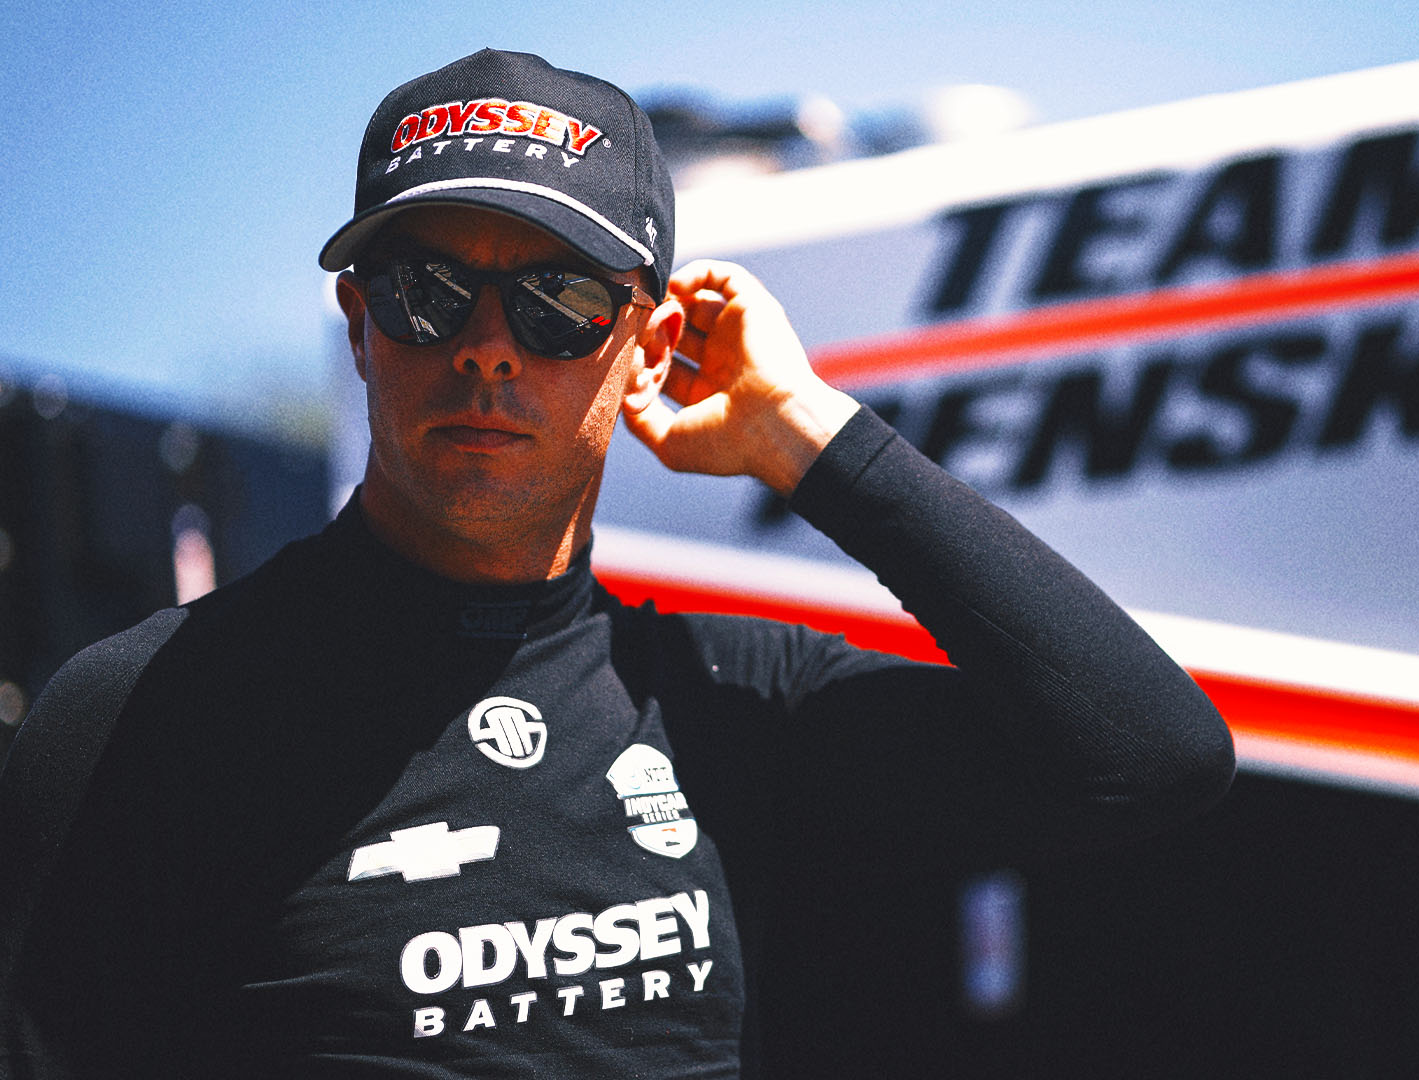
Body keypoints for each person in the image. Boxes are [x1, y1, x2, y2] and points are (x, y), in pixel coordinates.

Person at [0, 49, 1233, 1078]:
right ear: (362, 324)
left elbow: (1147, 753)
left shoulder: (720, 703)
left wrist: (809, 439)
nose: (488, 348)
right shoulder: (141, 717)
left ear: (646, 342)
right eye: (429, 291)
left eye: (558, 302)